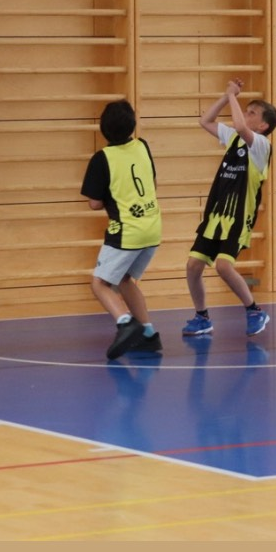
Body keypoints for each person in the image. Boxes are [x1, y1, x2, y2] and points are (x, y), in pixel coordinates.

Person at [182, 80, 276, 338]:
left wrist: (232, 95)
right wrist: (226, 97)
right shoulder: (234, 138)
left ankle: (255, 311)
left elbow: (240, 126)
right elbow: (205, 121)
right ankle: (202, 317)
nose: (245, 115)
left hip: (238, 216)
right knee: (193, 266)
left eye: (252, 113)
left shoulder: (261, 145)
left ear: (263, 126)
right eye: (245, 110)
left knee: (224, 267)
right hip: (216, 214)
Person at [81, 99, 162, 360]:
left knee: (100, 283)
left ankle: (125, 323)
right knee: (125, 279)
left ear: (102, 128)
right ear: (132, 125)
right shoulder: (142, 146)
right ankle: (148, 334)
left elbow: (94, 203)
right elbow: (153, 183)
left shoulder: (102, 159)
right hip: (152, 227)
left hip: (127, 230)